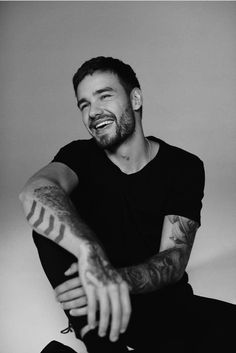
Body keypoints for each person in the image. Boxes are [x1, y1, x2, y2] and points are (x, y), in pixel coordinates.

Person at [19, 56, 235, 353]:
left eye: (104, 96)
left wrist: (112, 279)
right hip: (100, 315)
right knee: (50, 218)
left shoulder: (183, 167)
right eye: (84, 105)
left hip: (164, 305)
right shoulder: (78, 156)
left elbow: (173, 259)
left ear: (135, 99)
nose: (93, 112)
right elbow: (35, 191)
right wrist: (89, 253)